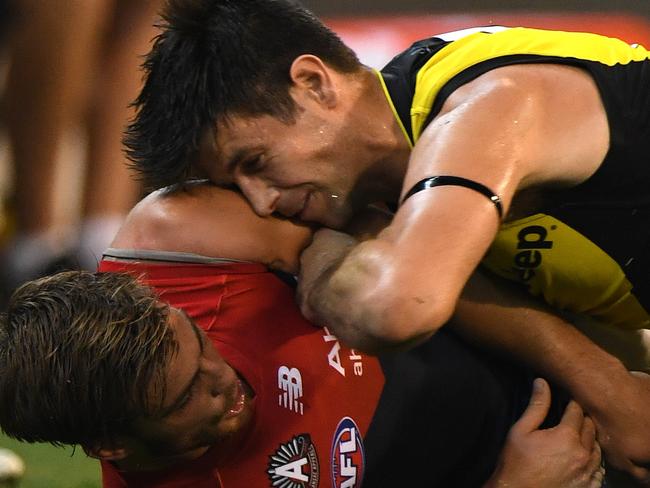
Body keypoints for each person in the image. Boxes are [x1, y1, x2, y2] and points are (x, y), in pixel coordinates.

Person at [122, 0, 650, 482]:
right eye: (237, 186)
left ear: (313, 83)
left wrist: (325, 264)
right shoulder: (395, 179)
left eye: (256, 163)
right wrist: (609, 387)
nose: (261, 204)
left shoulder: (489, 109)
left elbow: (399, 308)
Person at [0, 182, 605, 487]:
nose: (223, 379)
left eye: (195, 339)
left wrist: (599, 381)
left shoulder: (181, 244)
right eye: (186, 397)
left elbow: (378, 223)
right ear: (113, 446)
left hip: (545, 348)